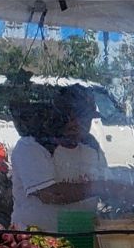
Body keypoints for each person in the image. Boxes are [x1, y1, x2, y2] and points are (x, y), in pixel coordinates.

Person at [8, 85, 109, 232]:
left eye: (84, 119)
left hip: (81, 236)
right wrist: (106, 187)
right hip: (35, 240)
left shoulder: (92, 146)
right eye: (69, 117)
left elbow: (103, 182)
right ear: (57, 116)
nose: (76, 124)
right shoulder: (32, 145)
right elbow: (51, 194)